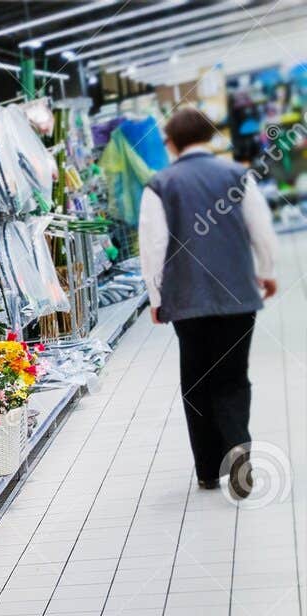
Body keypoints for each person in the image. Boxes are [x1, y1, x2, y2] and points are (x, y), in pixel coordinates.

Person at [139, 106, 279, 498]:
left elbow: (153, 246)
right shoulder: (237, 176)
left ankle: (207, 470)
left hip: (188, 301)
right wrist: (266, 271)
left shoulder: (160, 185)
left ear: (172, 142)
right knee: (233, 377)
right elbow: (261, 230)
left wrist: (156, 296)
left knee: (197, 382)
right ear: (209, 137)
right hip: (238, 297)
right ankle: (238, 446)